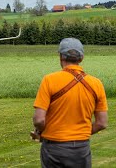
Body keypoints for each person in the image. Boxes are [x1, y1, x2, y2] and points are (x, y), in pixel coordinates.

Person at [31, 38, 108, 168]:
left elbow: (39, 120)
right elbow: (102, 123)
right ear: (81, 58)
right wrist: (79, 133)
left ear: (61, 57)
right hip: (81, 148)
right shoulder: (96, 84)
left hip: (53, 147)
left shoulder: (49, 80)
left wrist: (41, 132)